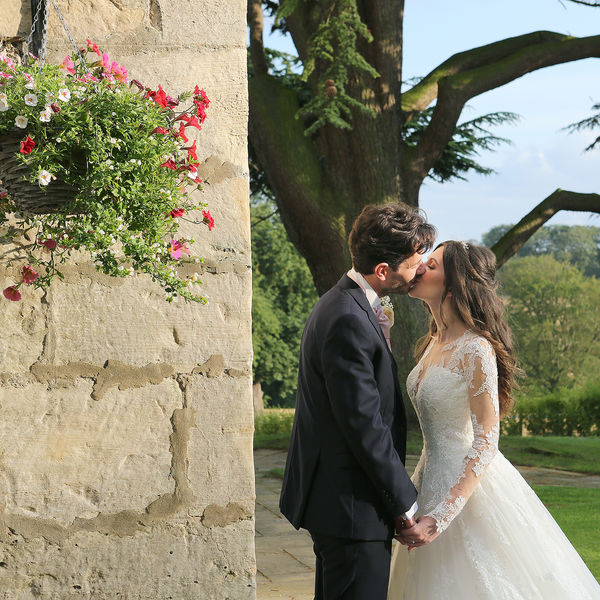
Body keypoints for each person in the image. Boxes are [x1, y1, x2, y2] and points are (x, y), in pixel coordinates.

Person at [390, 240, 600, 599]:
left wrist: (440, 517)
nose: (420, 267)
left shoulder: (475, 348)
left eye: (433, 265)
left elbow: (486, 440)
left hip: (467, 490)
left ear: (454, 284)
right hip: (429, 476)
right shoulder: (433, 342)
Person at [279, 203, 436, 600]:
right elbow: (365, 425)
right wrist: (405, 507)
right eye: (414, 263)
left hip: (341, 503)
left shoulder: (344, 303)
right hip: (350, 507)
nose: (420, 268)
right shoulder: (349, 318)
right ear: (382, 270)